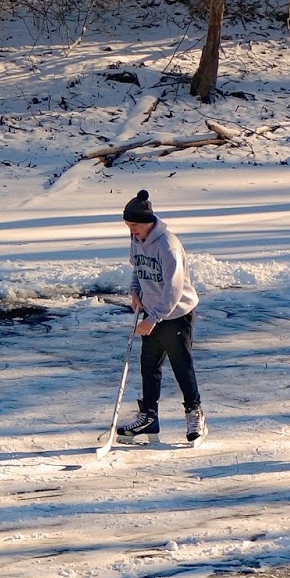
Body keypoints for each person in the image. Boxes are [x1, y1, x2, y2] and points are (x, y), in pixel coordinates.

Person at [117, 189, 205, 444]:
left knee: (181, 364)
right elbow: (138, 268)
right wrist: (135, 291)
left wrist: (153, 317)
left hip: (176, 313)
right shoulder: (137, 239)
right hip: (153, 312)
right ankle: (149, 417)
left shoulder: (168, 246)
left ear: (147, 223)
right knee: (149, 365)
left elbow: (174, 289)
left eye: (134, 225)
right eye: (128, 225)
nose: (131, 230)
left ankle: (194, 412)